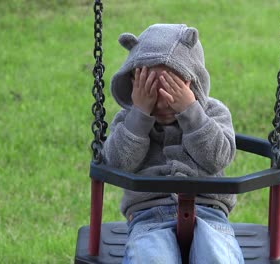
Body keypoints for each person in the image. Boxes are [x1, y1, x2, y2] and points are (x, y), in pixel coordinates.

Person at [103, 24, 244, 264]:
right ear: (134, 85)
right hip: (149, 216)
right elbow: (119, 162)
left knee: (217, 258)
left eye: (172, 88)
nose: (163, 100)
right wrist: (140, 114)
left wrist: (191, 111)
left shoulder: (213, 112)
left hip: (209, 214)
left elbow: (217, 158)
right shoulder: (127, 120)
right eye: (150, 90)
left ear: (193, 82)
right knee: (151, 259)